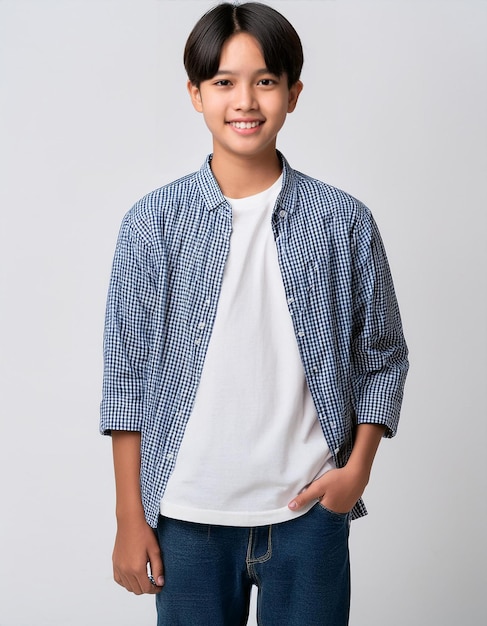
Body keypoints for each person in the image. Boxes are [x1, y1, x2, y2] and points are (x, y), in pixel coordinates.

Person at [100, 2, 409, 624]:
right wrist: (130, 516)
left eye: (265, 81)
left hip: (309, 516)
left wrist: (357, 473)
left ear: (293, 94)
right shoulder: (152, 223)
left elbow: (383, 355)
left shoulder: (342, 221)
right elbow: (127, 377)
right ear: (196, 94)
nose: (246, 100)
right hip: (187, 518)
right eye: (224, 82)